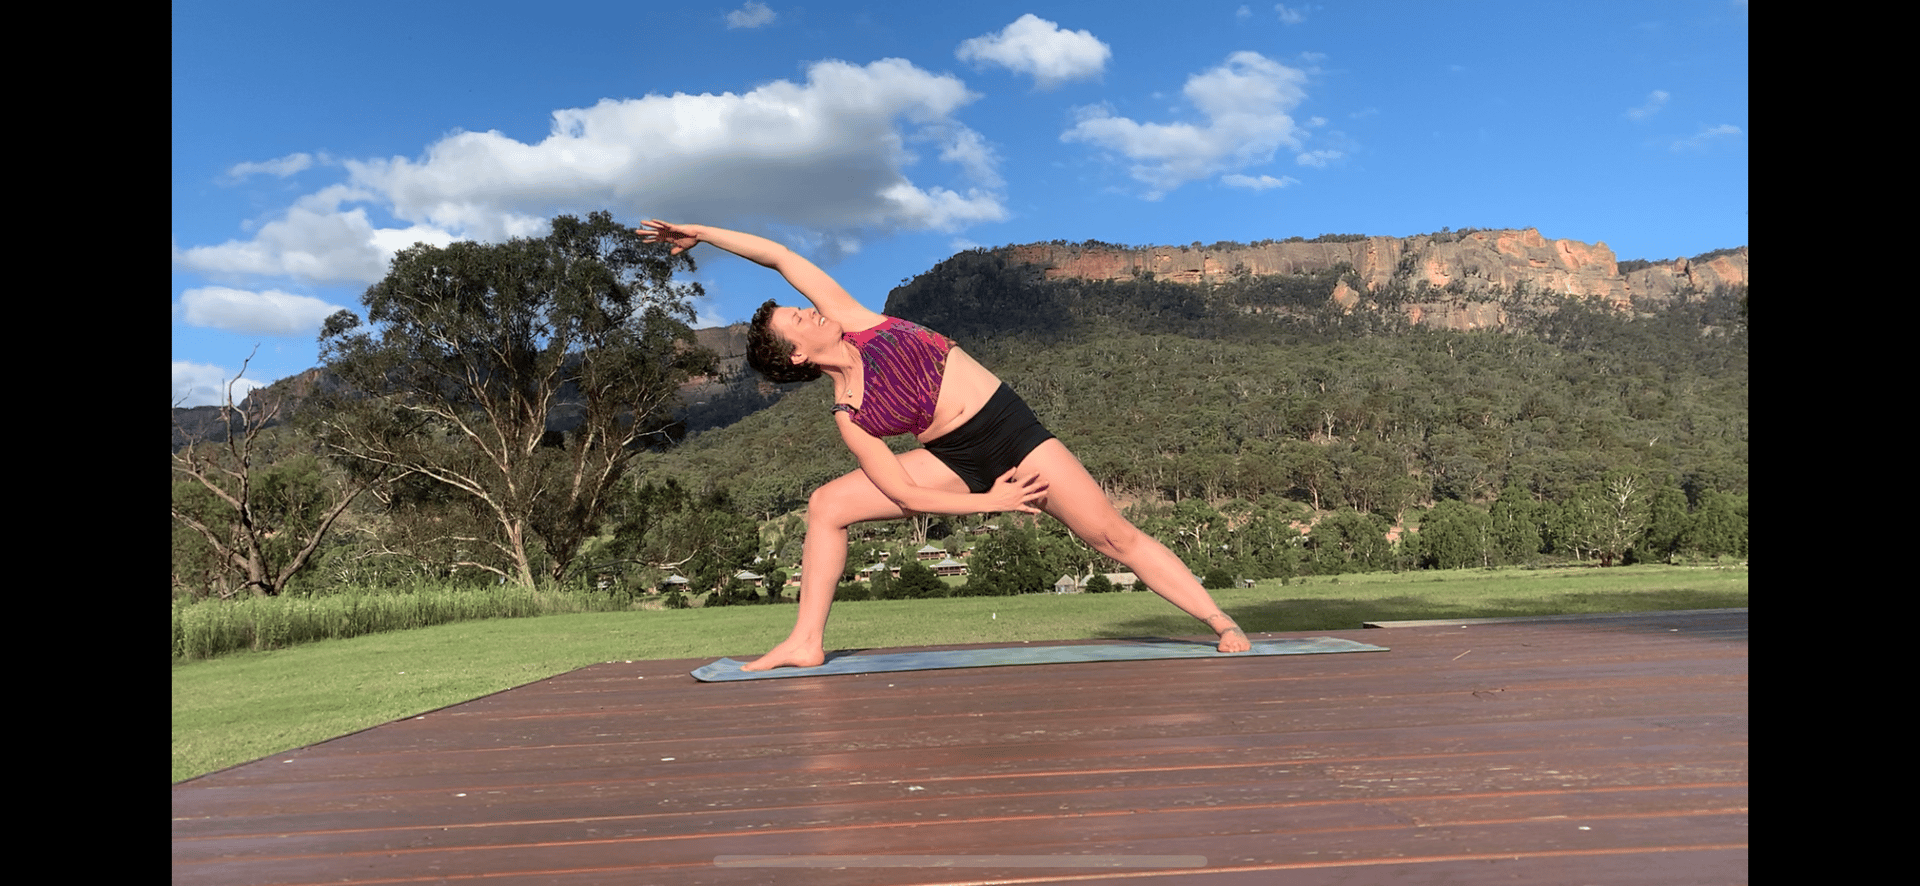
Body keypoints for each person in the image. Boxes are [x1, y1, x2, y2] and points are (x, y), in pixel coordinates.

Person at [636, 221, 1252, 670]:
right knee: (827, 505)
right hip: (954, 462)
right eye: (797, 319)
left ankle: (1220, 621)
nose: (808, 310)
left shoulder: (855, 318)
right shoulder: (851, 415)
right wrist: (994, 502)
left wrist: (702, 233)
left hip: (1012, 432)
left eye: (802, 308)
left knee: (1110, 536)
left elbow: (777, 255)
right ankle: (805, 641)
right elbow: (902, 489)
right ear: (796, 355)